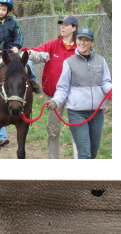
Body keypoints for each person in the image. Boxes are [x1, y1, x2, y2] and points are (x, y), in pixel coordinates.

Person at [47, 27, 112, 159]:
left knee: (93, 153)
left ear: (92, 43)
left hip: (97, 113)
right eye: (80, 39)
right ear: (76, 40)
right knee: (84, 153)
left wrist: (111, 89)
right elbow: (63, 88)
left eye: (86, 40)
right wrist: (55, 101)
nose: (82, 43)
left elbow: (105, 82)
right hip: (77, 113)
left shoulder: (101, 61)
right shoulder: (69, 63)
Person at [22, 15, 79, 159]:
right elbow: (38, 53)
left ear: (74, 28)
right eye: (62, 24)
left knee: (78, 130)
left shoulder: (80, 47)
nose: (63, 27)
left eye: (66, 25)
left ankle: (81, 161)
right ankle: (53, 162)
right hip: (54, 95)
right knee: (53, 130)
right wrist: (28, 53)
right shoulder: (53, 45)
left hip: (76, 96)